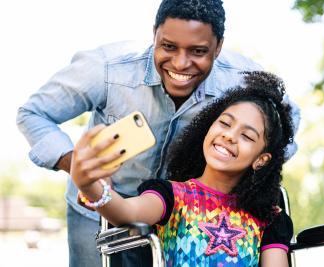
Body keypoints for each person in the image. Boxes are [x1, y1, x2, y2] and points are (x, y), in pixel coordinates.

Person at [16, 0, 300, 266]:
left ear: (218, 47)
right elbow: (32, 114)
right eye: (168, 46)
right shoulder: (108, 68)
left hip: (194, 217)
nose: (180, 63)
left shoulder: (241, 80)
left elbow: (283, 131)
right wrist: (79, 168)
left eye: (198, 51)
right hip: (113, 207)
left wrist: (249, 181)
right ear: (154, 34)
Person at [72, 71, 294, 266]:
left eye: (246, 136)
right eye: (225, 123)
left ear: (261, 160)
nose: (229, 135)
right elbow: (126, 212)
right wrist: (89, 186)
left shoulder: (269, 219)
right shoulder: (172, 195)